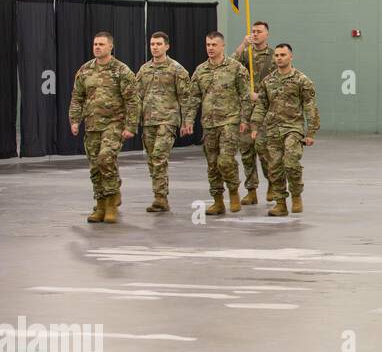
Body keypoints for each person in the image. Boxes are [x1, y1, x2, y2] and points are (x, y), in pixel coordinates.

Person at [69, 31, 140, 224]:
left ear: (110, 47)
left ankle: (111, 201)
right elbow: (77, 97)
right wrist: (75, 120)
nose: (97, 47)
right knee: (94, 167)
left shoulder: (121, 70)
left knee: (105, 158)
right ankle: (100, 205)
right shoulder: (85, 70)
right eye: (95, 44)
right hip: (92, 125)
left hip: (114, 124)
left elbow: (133, 100)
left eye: (101, 44)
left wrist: (131, 126)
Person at [250, 44, 319, 216]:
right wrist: (255, 126)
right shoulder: (268, 81)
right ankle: (280, 203)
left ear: (291, 57)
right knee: (274, 167)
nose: (279, 58)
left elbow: (310, 107)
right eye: (277, 55)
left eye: (283, 55)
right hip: (272, 130)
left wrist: (310, 132)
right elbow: (261, 106)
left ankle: (296, 195)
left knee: (291, 163)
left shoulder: (301, 80)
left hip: (293, 129)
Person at [190, 31, 252, 214]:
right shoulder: (201, 70)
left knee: (225, 161)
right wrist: (188, 120)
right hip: (209, 124)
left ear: (222, 46)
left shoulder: (235, 68)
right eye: (208, 45)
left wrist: (245, 119)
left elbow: (245, 96)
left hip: (230, 121)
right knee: (212, 164)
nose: (210, 48)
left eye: (214, 45)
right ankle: (218, 201)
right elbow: (193, 98)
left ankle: (233, 192)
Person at [136, 31, 196, 212]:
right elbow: (136, 96)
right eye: (152, 44)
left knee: (159, 157)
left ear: (167, 46)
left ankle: (160, 198)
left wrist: (187, 121)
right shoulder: (144, 70)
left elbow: (186, 98)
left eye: (159, 44)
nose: (155, 47)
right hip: (148, 121)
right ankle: (160, 195)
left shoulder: (176, 69)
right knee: (152, 159)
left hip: (167, 120)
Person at [233, 20, 274, 204]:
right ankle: (251, 191)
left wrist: (262, 94)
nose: (255, 34)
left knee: (264, 150)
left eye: (259, 31)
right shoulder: (246, 54)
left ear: (267, 34)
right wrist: (243, 45)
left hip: (265, 110)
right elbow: (229, 65)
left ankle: (272, 184)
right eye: (253, 31)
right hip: (246, 111)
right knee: (246, 152)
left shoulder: (273, 56)